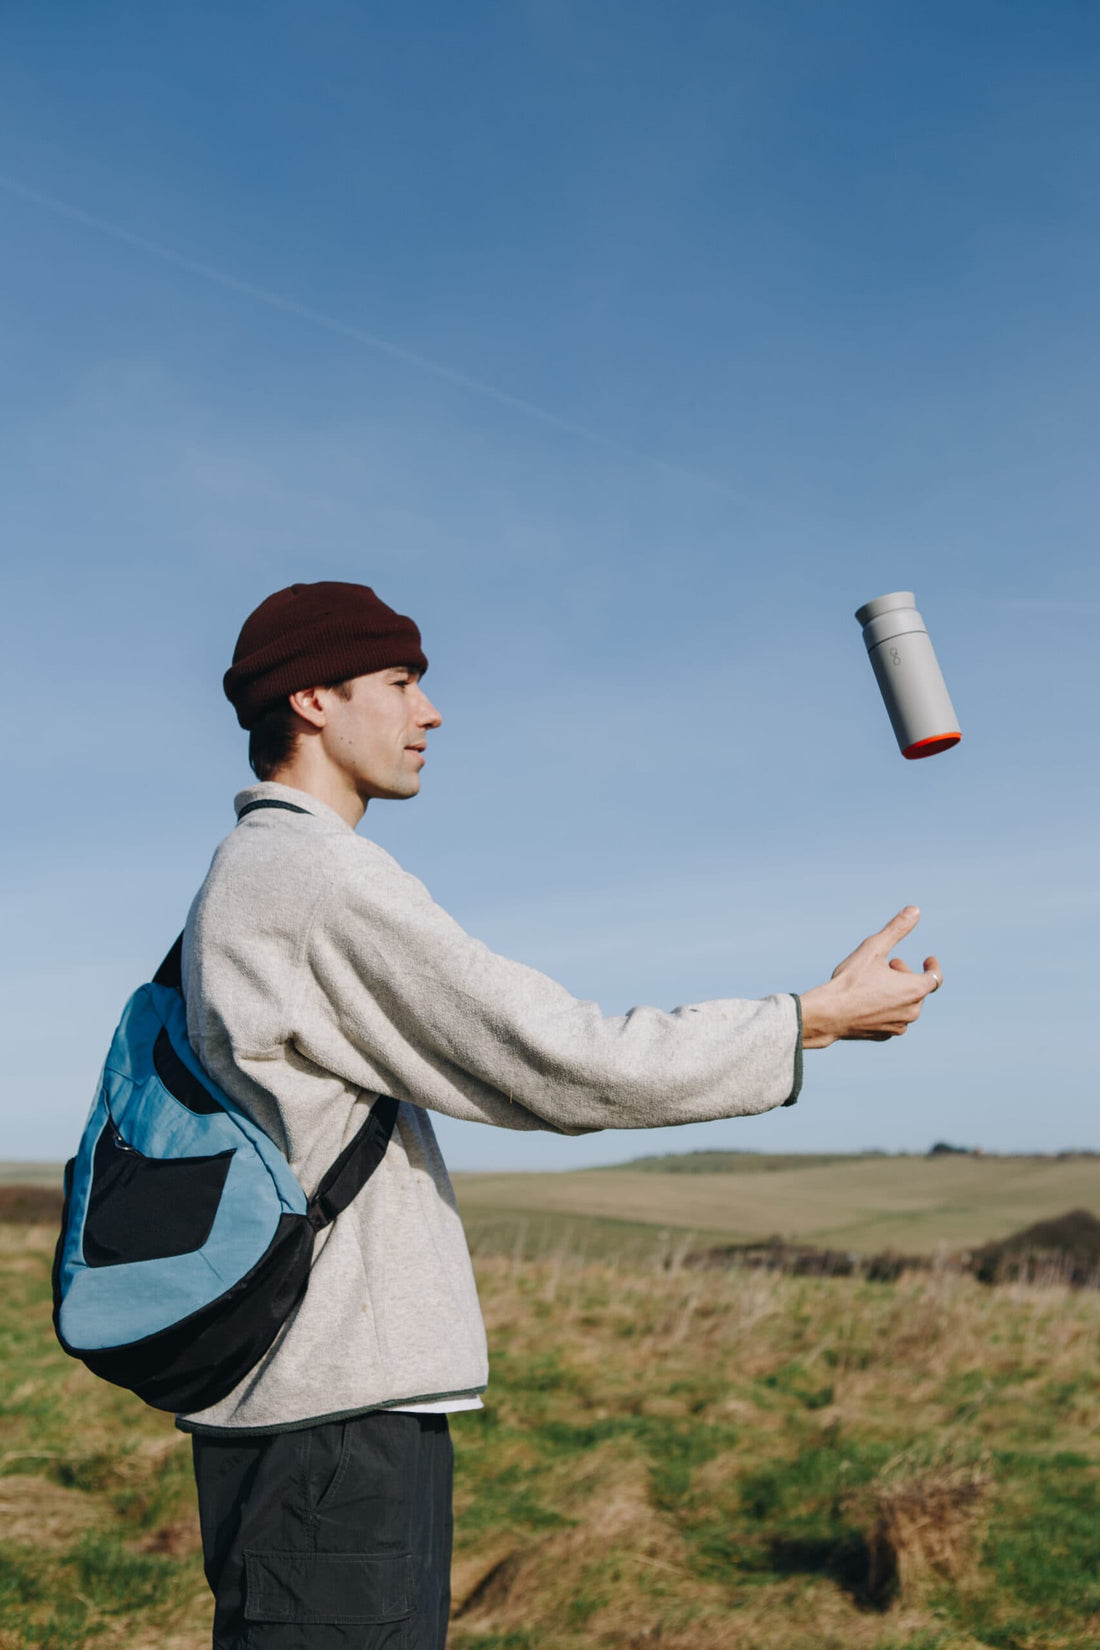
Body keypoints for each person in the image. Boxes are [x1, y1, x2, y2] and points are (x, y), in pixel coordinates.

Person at [182, 580, 943, 1650]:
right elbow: (559, 1059)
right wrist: (802, 1022)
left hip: (308, 1410)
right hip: (331, 1421)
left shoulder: (252, 876)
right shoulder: (313, 879)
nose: (429, 713)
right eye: (401, 684)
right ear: (313, 699)